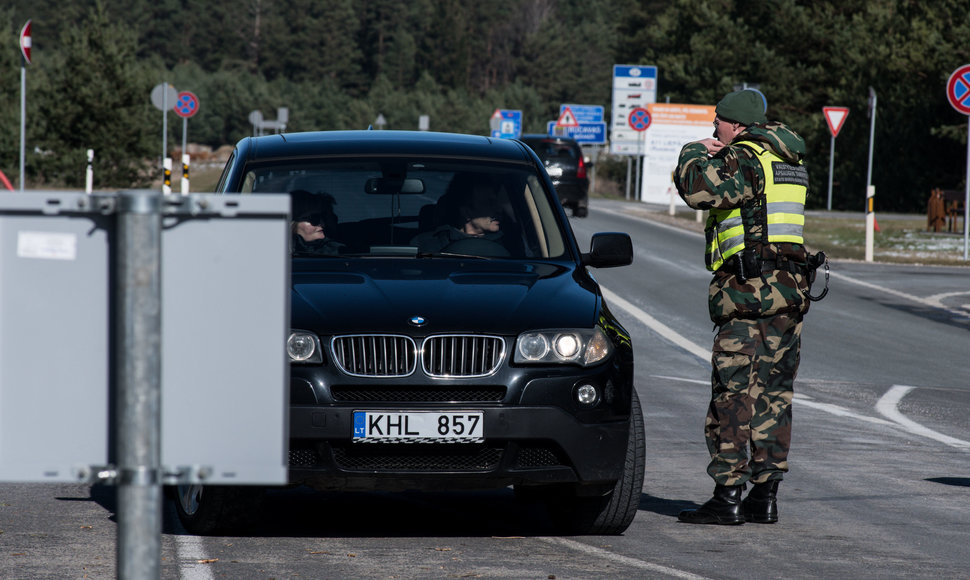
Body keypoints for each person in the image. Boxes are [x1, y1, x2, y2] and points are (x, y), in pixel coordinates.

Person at [673, 89, 820, 525]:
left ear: (735, 125)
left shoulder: (744, 159)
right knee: (774, 396)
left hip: (747, 293)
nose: (712, 129)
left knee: (733, 395)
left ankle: (728, 496)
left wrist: (693, 152)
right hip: (789, 294)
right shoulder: (788, 163)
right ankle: (765, 495)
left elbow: (697, 190)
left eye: (717, 122)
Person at [410, 180, 508, 256]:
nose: (499, 209)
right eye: (489, 204)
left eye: (497, 203)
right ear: (467, 212)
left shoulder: (513, 244)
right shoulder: (426, 243)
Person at [290, 189, 344, 255]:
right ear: (292, 224)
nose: (323, 224)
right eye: (314, 218)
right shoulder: (278, 256)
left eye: (324, 217)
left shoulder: (340, 252)